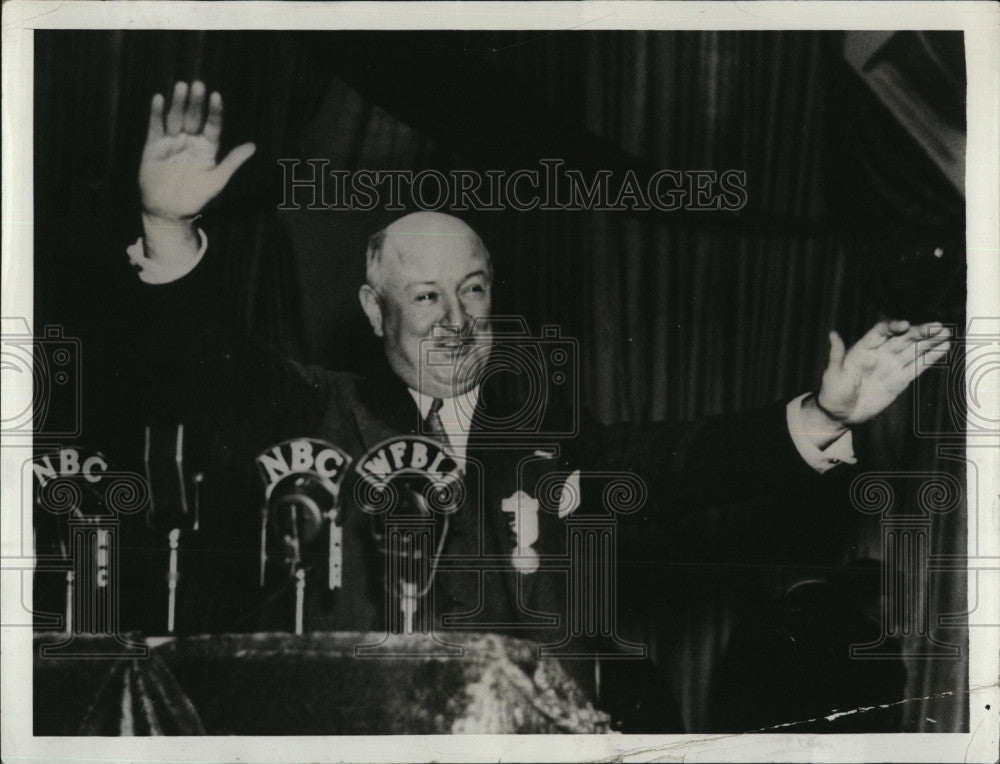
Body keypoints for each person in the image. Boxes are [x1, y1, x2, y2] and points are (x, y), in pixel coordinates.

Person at [124, 81, 952, 728]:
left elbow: (683, 459)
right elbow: (214, 371)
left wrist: (827, 413)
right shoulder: (322, 413)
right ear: (376, 311)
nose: (455, 321)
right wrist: (169, 228)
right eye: (424, 297)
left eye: (473, 291)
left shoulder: (550, 444)